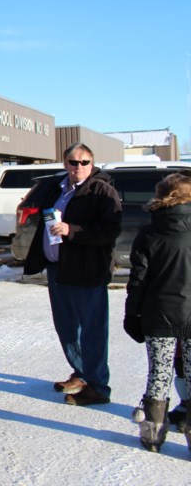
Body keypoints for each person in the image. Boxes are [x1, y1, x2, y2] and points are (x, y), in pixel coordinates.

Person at [24, 143, 122, 407]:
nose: (79, 167)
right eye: (73, 162)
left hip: (87, 272)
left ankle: (99, 386)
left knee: (92, 330)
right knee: (67, 328)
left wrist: (72, 230)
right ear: (65, 163)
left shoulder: (103, 190)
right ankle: (81, 373)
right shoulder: (59, 188)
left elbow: (109, 231)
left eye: (84, 162)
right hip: (58, 269)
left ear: (92, 163)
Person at [125, 172, 191, 452]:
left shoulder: (149, 232)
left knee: (159, 375)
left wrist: (132, 315)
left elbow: (138, 279)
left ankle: (153, 434)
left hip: (158, 314)